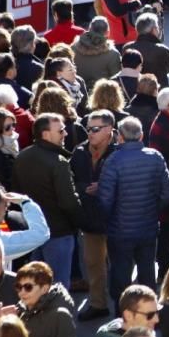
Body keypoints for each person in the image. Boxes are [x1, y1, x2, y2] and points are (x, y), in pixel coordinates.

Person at [98, 118, 169, 308]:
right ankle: (148, 313)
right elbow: (168, 191)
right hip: (148, 228)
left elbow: (105, 199)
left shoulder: (113, 160)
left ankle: (122, 316)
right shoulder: (155, 157)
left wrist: (110, 220)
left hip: (120, 231)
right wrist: (154, 210)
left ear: (120, 137)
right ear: (141, 135)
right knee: (147, 273)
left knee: (121, 275)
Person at [11, 113, 82, 285]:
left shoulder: (22, 157)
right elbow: (68, 202)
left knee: (37, 285)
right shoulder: (59, 162)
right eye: (61, 131)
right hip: (59, 232)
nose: (65, 134)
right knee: (59, 286)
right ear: (46, 134)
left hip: (33, 231)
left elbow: (17, 192)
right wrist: (79, 222)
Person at [70, 109, 116, 322]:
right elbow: (72, 181)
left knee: (120, 265)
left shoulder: (118, 152)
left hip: (116, 219)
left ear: (109, 130)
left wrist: (105, 187)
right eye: (88, 129)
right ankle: (98, 304)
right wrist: (84, 188)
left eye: (96, 129)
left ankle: (124, 305)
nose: (90, 133)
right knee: (93, 264)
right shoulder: (79, 153)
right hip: (90, 219)